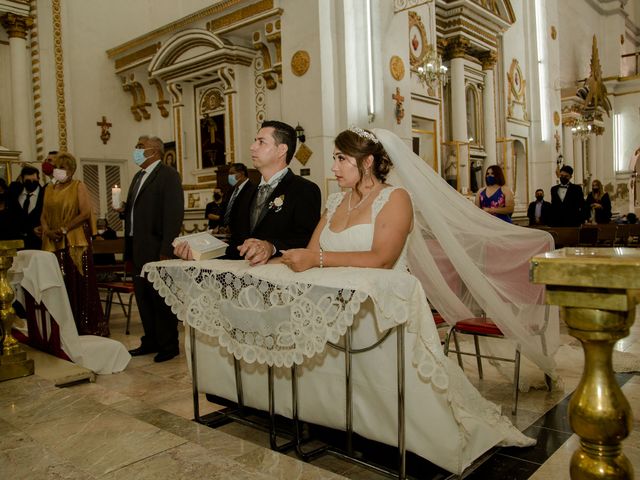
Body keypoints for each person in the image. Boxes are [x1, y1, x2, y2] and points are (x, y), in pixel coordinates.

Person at [176, 121, 321, 263]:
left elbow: (306, 240)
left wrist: (272, 247)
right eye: (254, 141)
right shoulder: (246, 192)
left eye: (261, 142)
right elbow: (237, 242)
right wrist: (198, 254)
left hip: (281, 275)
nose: (252, 147)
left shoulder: (304, 189)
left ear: (282, 150)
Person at [280, 127, 412, 272]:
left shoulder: (395, 198)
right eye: (334, 159)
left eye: (342, 158)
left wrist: (318, 259)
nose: (334, 167)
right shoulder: (335, 201)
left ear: (367, 161)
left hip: (378, 289)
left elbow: (382, 261)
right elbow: (311, 252)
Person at [125, 135, 184, 363]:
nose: (137, 151)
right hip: (137, 246)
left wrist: (167, 249)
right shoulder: (138, 176)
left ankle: (169, 345)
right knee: (143, 297)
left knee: (160, 299)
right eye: (136, 146)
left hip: (156, 247)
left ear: (155, 152)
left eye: (141, 147)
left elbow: (173, 213)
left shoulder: (168, 175)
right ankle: (150, 340)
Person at [40, 152, 108, 336]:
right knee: (57, 283)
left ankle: (83, 324)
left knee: (76, 282)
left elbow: (85, 213)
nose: (59, 171)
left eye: (63, 168)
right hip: (52, 241)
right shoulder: (48, 189)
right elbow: (44, 215)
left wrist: (63, 229)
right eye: (57, 168)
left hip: (73, 241)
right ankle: (59, 326)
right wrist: (48, 230)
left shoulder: (78, 186)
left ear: (71, 170)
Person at [9, 165, 45, 249]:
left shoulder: (44, 194)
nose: (31, 183)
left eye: (34, 181)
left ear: (38, 179)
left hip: (38, 243)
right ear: (22, 179)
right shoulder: (14, 192)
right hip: (18, 243)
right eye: (28, 181)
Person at [222, 162, 252, 232]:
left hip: (243, 234)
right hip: (226, 233)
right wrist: (221, 226)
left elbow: (246, 214)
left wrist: (232, 227)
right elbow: (225, 210)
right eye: (229, 174)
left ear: (242, 173)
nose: (229, 176)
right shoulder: (230, 191)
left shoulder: (252, 189)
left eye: (232, 173)